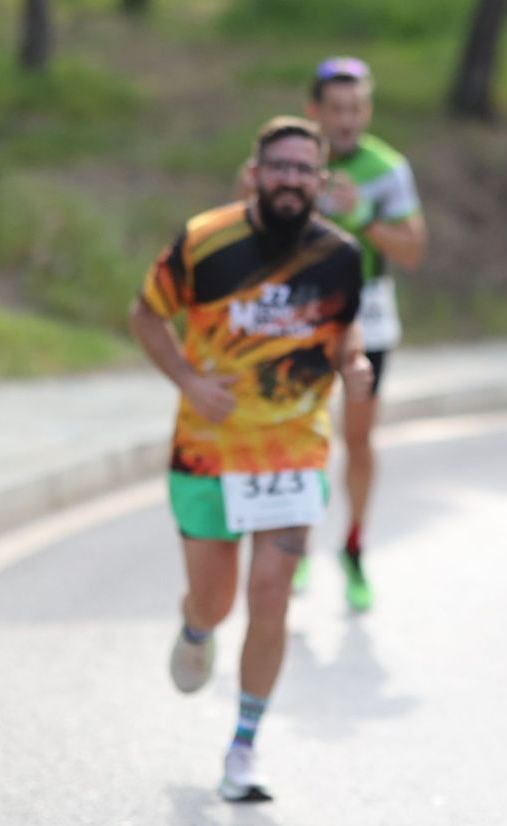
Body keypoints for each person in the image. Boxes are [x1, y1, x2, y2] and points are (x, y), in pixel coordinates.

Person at [129, 116, 369, 803]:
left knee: (271, 597)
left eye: (304, 169)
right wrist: (188, 381)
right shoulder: (205, 240)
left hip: (292, 450)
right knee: (218, 597)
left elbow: (344, 330)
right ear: (256, 173)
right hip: (208, 451)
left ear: (320, 182)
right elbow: (146, 315)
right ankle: (196, 625)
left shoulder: (341, 255)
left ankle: (243, 749)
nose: (291, 179)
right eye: (280, 167)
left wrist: (353, 367)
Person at [300, 56, 426, 611]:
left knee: (355, 437)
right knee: (299, 433)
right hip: (300, 314)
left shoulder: (387, 167)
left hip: (367, 313)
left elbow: (414, 250)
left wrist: (363, 215)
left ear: (367, 110)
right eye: (336, 110)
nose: (347, 121)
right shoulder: (293, 160)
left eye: (356, 109)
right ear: (315, 112)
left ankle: (353, 547)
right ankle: (294, 543)